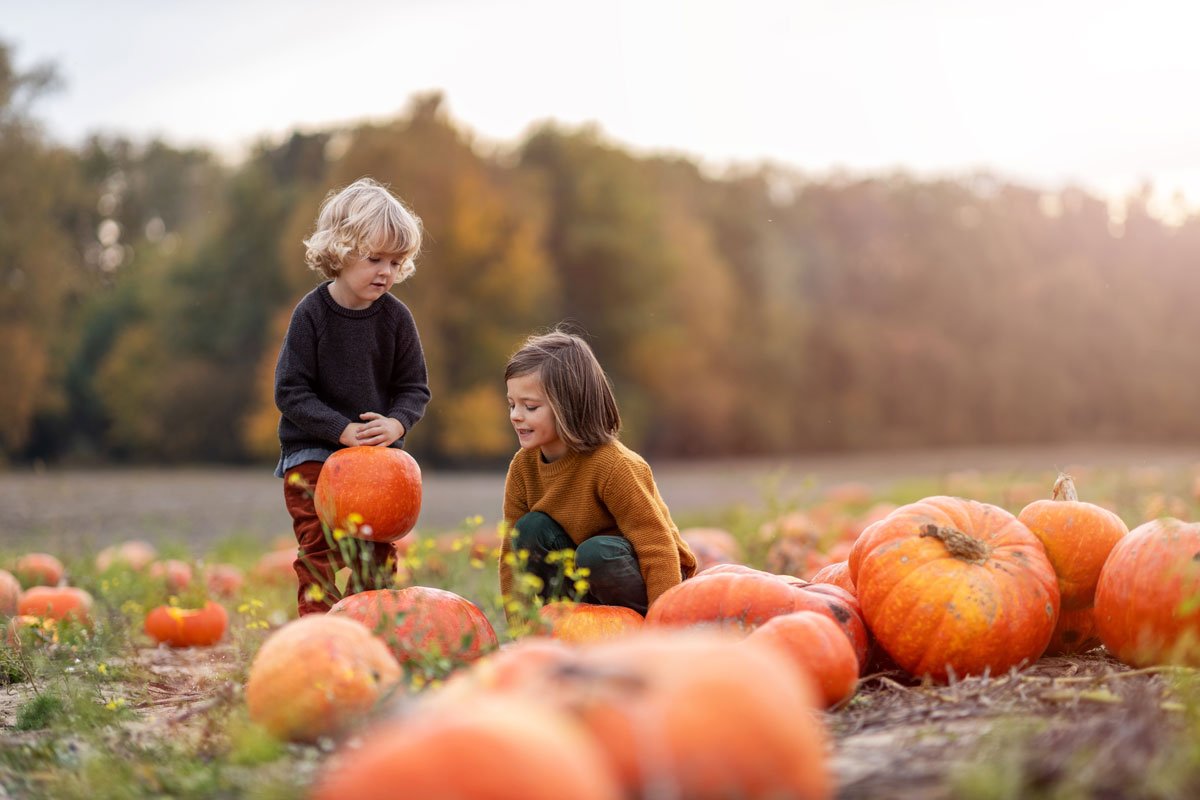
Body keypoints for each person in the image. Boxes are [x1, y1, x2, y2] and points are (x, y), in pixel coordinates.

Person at [274, 177, 431, 616]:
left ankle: (368, 623)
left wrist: (397, 423)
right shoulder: (312, 315)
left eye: (397, 262)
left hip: (377, 461)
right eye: (375, 258)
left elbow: (414, 387)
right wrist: (339, 430)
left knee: (375, 551)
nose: (386, 271)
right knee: (318, 543)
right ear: (340, 253)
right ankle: (318, 629)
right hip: (312, 452)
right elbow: (290, 391)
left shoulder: (397, 319)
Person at [499, 329, 696, 620]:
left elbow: (657, 548)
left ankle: (637, 623)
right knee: (529, 530)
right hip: (585, 584)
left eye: (530, 407)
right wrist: (521, 629)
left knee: (597, 553)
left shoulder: (615, 465)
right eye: (512, 404)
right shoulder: (522, 467)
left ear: (568, 406)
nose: (516, 415)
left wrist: (664, 625)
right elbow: (512, 557)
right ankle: (569, 620)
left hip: (647, 581)